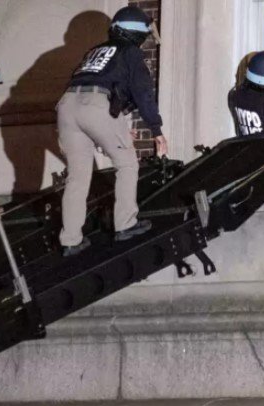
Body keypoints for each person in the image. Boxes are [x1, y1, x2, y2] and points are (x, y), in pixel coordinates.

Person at [57, 5, 167, 257]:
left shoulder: (95, 51)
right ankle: (126, 224)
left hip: (66, 106)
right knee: (127, 165)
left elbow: (93, 85)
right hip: (96, 105)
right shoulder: (131, 52)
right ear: (135, 34)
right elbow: (142, 92)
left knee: (77, 177)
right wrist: (156, 129)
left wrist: (108, 128)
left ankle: (71, 240)